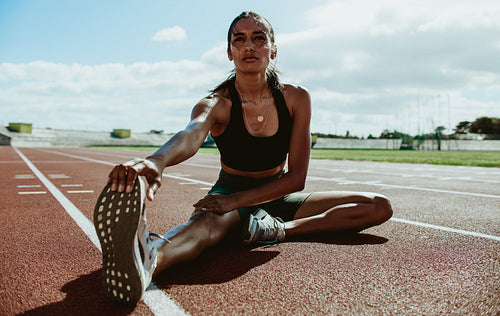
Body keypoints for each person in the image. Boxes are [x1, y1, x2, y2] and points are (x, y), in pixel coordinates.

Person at [93, 11, 393, 305]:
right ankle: (150, 257)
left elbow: (296, 179)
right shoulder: (217, 103)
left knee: (377, 206)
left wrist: (251, 210)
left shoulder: (296, 98)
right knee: (204, 228)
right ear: (229, 52)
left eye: (258, 38)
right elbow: (192, 133)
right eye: (239, 39)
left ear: (272, 49)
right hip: (229, 194)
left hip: (277, 197)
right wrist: (157, 160)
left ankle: (276, 230)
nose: (249, 45)